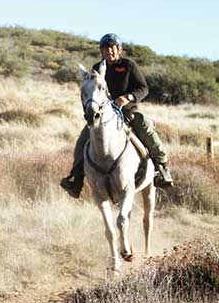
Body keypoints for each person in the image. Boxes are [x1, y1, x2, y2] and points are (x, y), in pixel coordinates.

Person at [60, 33, 173, 198]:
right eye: (105, 49)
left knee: (145, 127)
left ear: (119, 50)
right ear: (102, 51)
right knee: (82, 140)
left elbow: (143, 88)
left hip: (128, 110)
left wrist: (128, 98)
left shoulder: (129, 65)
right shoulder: (97, 68)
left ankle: (162, 167)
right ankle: (76, 178)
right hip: (102, 114)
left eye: (112, 48)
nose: (109, 51)